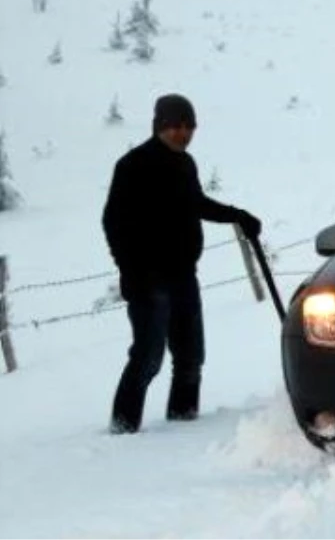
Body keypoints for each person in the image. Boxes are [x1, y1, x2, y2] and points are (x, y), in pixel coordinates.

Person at [102, 94, 262, 434]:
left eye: (189, 126)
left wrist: (238, 216)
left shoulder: (185, 164)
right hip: (148, 280)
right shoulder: (133, 165)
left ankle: (183, 427)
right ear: (160, 125)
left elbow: (197, 204)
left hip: (183, 275)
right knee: (148, 358)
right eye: (176, 126)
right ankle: (122, 430)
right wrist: (130, 271)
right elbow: (113, 222)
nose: (183, 133)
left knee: (191, 359)